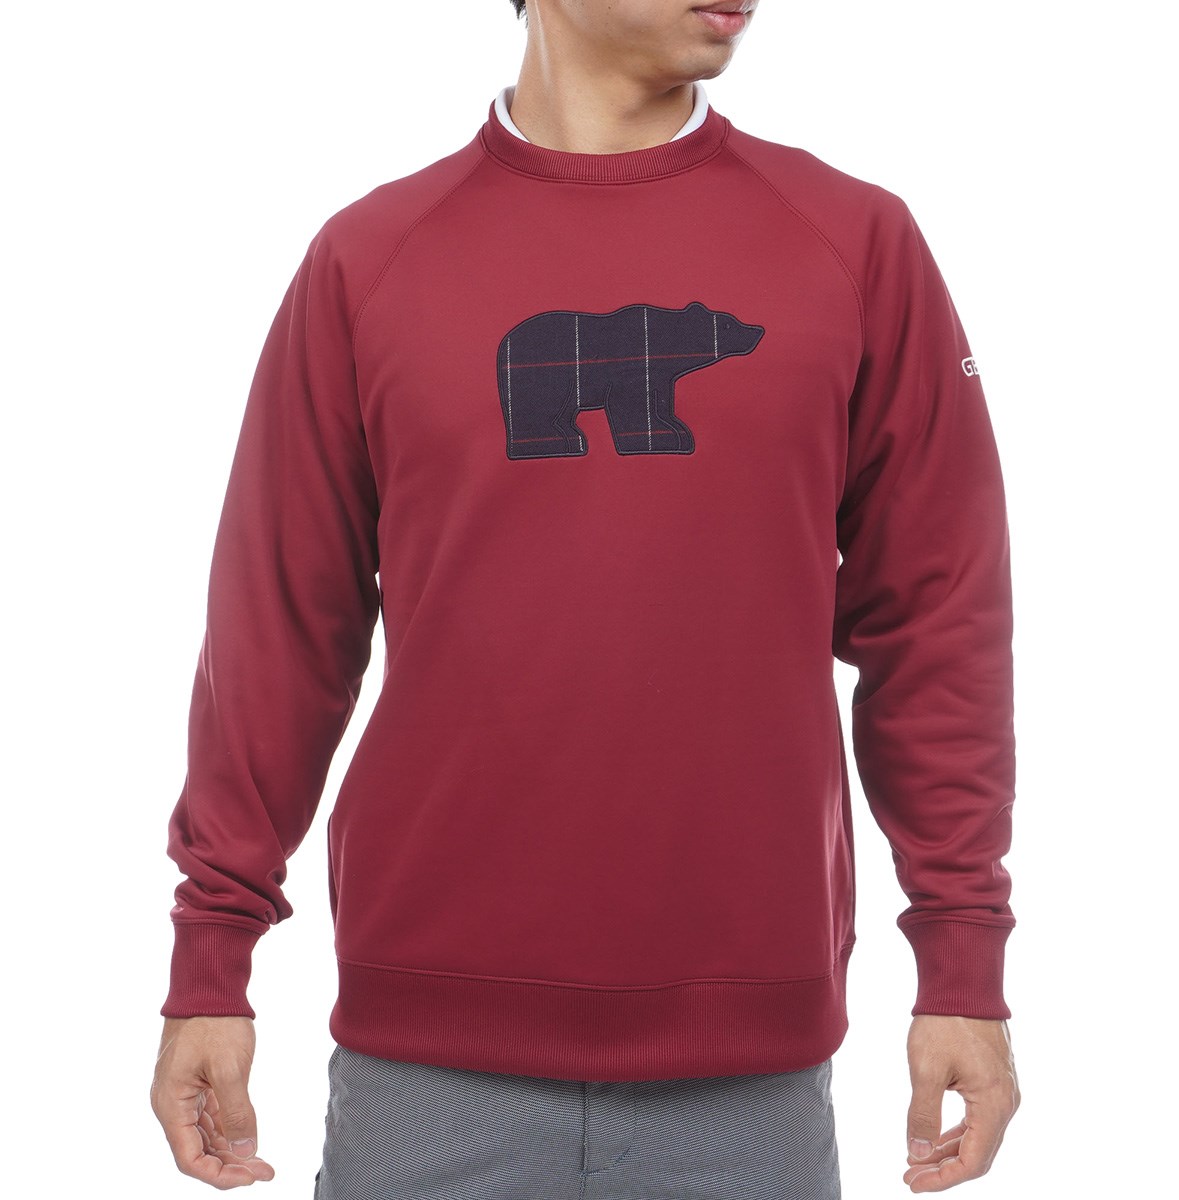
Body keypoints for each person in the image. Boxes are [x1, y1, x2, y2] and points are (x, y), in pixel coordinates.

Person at [148, 1, 1022, 1195]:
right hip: (426, 1054)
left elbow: (941, 621)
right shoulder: (372, 256)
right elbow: (277, 636)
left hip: (748, 1062)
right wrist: (212, 956)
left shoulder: (855, 240)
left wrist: (964, 961)